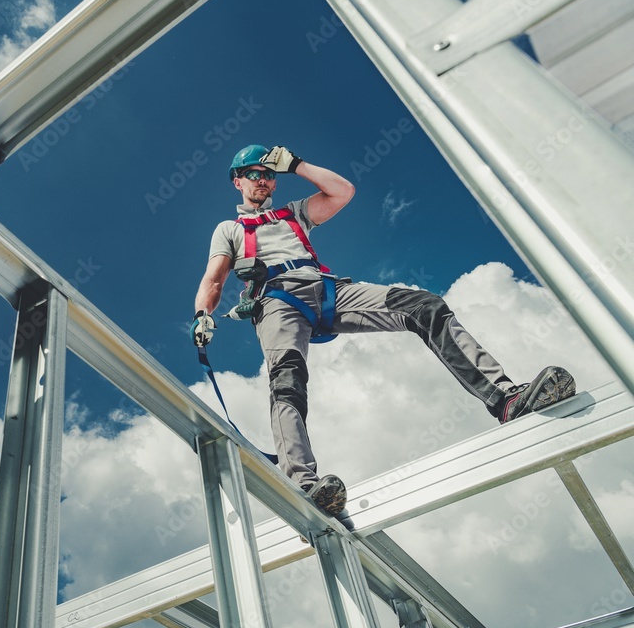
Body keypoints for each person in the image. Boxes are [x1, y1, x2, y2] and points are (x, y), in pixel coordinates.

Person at [191, 144, 576, 517]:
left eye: (269, 175)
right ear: (237, 181)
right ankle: (303, 481)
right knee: (287, 379)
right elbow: (214, 279)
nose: (263, 180)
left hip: (327, 289)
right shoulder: (230, 229)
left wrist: (297, 165)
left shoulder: (295, 214)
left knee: (424, 306)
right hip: (277, 300)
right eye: (254, 175)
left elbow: (342, 191)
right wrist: (202, 315)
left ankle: (506, 399)